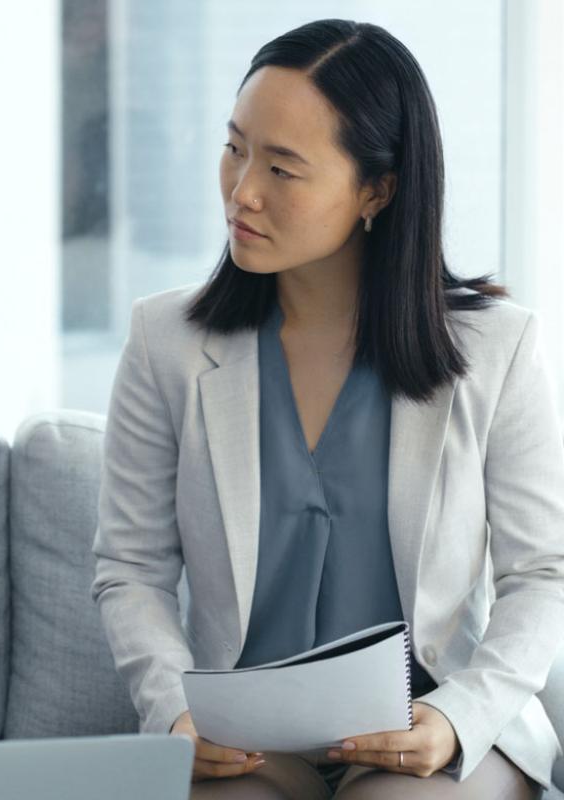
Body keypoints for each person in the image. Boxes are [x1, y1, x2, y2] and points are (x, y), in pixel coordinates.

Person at [93, 18, 564, 800]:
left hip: (433, 726)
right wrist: (175, 711)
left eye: (283, 167)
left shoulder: (498, 350)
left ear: (377, 189)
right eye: (235, 147)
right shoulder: (164, 342)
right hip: (245, 736)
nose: (243, 190)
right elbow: (131, 569)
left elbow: (542, 573)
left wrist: (457, 718)